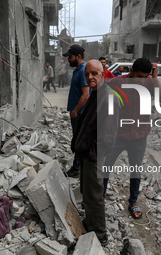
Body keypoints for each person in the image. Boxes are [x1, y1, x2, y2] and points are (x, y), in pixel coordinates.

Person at [103, 58, 161, 219]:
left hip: (140, 136)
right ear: (131, 71)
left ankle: (133, 202)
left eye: (144, 76)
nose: (141, 80)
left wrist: (155, 78)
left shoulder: (149, 82)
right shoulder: (118, 82)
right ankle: (100, 197)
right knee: (106, 166)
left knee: (136, 170)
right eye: (139, 76)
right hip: (118, 135)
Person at [71, 60, 120, 246]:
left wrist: (93, 153)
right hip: (87, 153)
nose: (90, 77)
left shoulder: (108, 98)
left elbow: (108, 136)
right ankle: (90, 222)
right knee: (87, 191)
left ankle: (100, 234)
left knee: (94, 195)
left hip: (94, 155)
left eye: (94, 74)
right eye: (87, 74)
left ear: (102, 74)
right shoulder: (96, 94)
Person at [63, 44, 90, 178]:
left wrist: (75, 111)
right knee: (78, 140)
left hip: (80, 114)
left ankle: (77, 169)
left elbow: (85, 95)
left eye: (71, 57)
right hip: (77, 113)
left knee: (78, 141)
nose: (69, 59)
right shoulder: (78, 69)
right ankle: (78, 166)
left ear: (78, 56)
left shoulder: (83, 70)